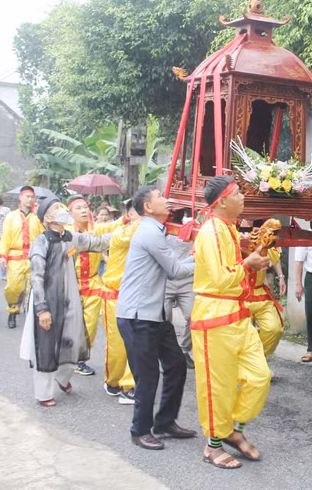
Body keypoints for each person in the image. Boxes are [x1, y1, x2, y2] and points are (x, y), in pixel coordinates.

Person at [191, 176, 272, 469]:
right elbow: (221, 278)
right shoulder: (211, 231)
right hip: (215, 315)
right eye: (237, 193)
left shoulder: (228, 228)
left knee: (260, 376)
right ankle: (213, 445)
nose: (243, 197)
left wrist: (254, 256)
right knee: (218, 385)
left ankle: (231, 429)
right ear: (222, 201)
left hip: (238, 313)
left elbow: (234, 270)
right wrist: (248, 264)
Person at [116, 186, 196, 450]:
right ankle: (139, 430)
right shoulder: (150, 230)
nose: (165, 199)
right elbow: (174, 270)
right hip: (138, 316)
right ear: (147, 207)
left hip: (156, 315)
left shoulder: (157, 229)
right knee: (147, 376)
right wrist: (206, 257)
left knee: (176, 364)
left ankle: (165, 421)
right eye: (160, 196)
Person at [19, 196, 110, 407]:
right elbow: (36, 277)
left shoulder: (70, 238)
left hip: (69, 299)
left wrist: (128, 231)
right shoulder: (41, 242)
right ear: (48, 217)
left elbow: (97, 242)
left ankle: (63, 377)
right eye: (57, 208)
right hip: (48, 301)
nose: (62, 210)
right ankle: (43, 393)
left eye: (61, 206)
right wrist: (42, 310)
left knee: (71, 339)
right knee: (47, 345)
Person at [66, 195, 121, 376]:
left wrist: (129, 218)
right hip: (70, 284)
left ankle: (80, 359)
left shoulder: (97, 229)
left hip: (92, 282)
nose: (83, 211)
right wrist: (81, 241)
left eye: (85, 207)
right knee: (69, 323)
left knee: (89, 324)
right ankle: (65, 356)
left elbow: (115, 226)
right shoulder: (66, 232)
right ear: (70, 213)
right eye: (78, 208)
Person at [100, 200, 140, 404]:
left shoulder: (143, 231)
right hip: (114, 295)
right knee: (117, 345)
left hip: (135, 296)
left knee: (135, 342)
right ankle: (113, 381)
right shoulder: (122, 233)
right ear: (132, 215)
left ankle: (129, 385)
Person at [0, 186, 44, 329]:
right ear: (20, 197)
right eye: (27, 197)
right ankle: (12, 310)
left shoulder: (38, 216)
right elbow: (5, 236)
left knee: (34, 286)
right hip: (15, 256)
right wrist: (3, 255)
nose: (30, 200)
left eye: (32, 197)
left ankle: (31, 314)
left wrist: (40, 217)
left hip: (34, 256)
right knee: (13, 287)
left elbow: (44, 234)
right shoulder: (11, 216)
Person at [239, 219, 285, 357]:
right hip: (238, 293)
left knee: (274, 329)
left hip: (260, 292)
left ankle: (259, 360)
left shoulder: (265, 235)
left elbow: (274, 258)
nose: (247, 220)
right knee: (241, 334)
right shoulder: (231, 233)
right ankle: (245, 364)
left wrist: (281, 277)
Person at [163, 208, 195, 369]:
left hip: (187, 278)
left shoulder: (194, 225)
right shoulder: (161, 227)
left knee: (194, 315)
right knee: (163, 318)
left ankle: (184, 349)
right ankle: (165, 354)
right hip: (166, 279)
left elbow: (197, 251)